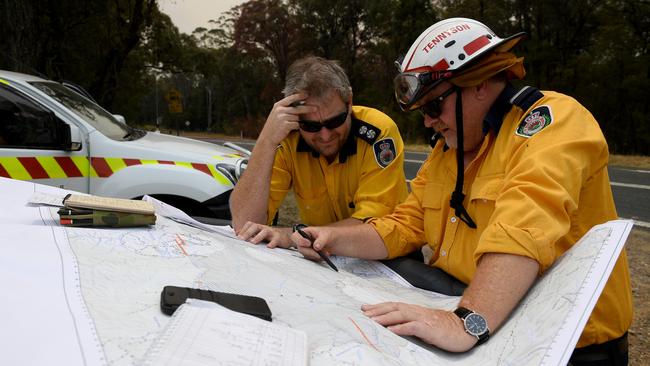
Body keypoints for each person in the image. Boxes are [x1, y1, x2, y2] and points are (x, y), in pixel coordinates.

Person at [291, 18, 632, 364]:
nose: (428, 121)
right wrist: (330, 238)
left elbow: (524, 226)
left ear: (479, 82)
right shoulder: (446, 152)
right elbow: (406, 224)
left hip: (564, 346)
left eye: (433, 106)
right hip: (483, 323)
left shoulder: (552, 122)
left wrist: (467, 322)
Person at [230, 56, 408, 248]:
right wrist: (266, 140)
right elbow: (243, 224)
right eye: (310, 126)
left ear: (349, 102)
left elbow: (376, 226)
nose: (325, 136)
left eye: (334, 122)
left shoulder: (377, 133)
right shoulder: (287, 138)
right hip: (321, 256)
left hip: (384, 258)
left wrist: (295, 236)